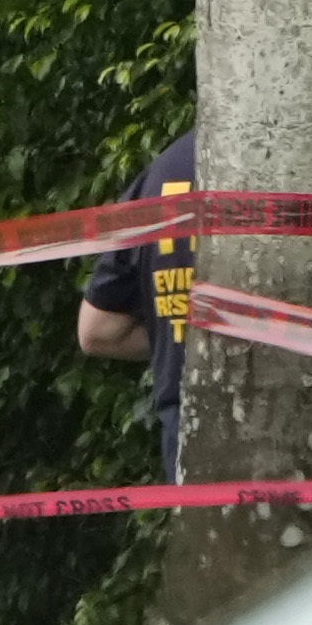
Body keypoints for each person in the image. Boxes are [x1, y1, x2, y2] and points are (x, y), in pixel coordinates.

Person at [68, 125, 205, 482]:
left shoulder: (164, 173)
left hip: (192, 435)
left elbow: (99, 331)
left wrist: (177, 332)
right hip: (308, 427)